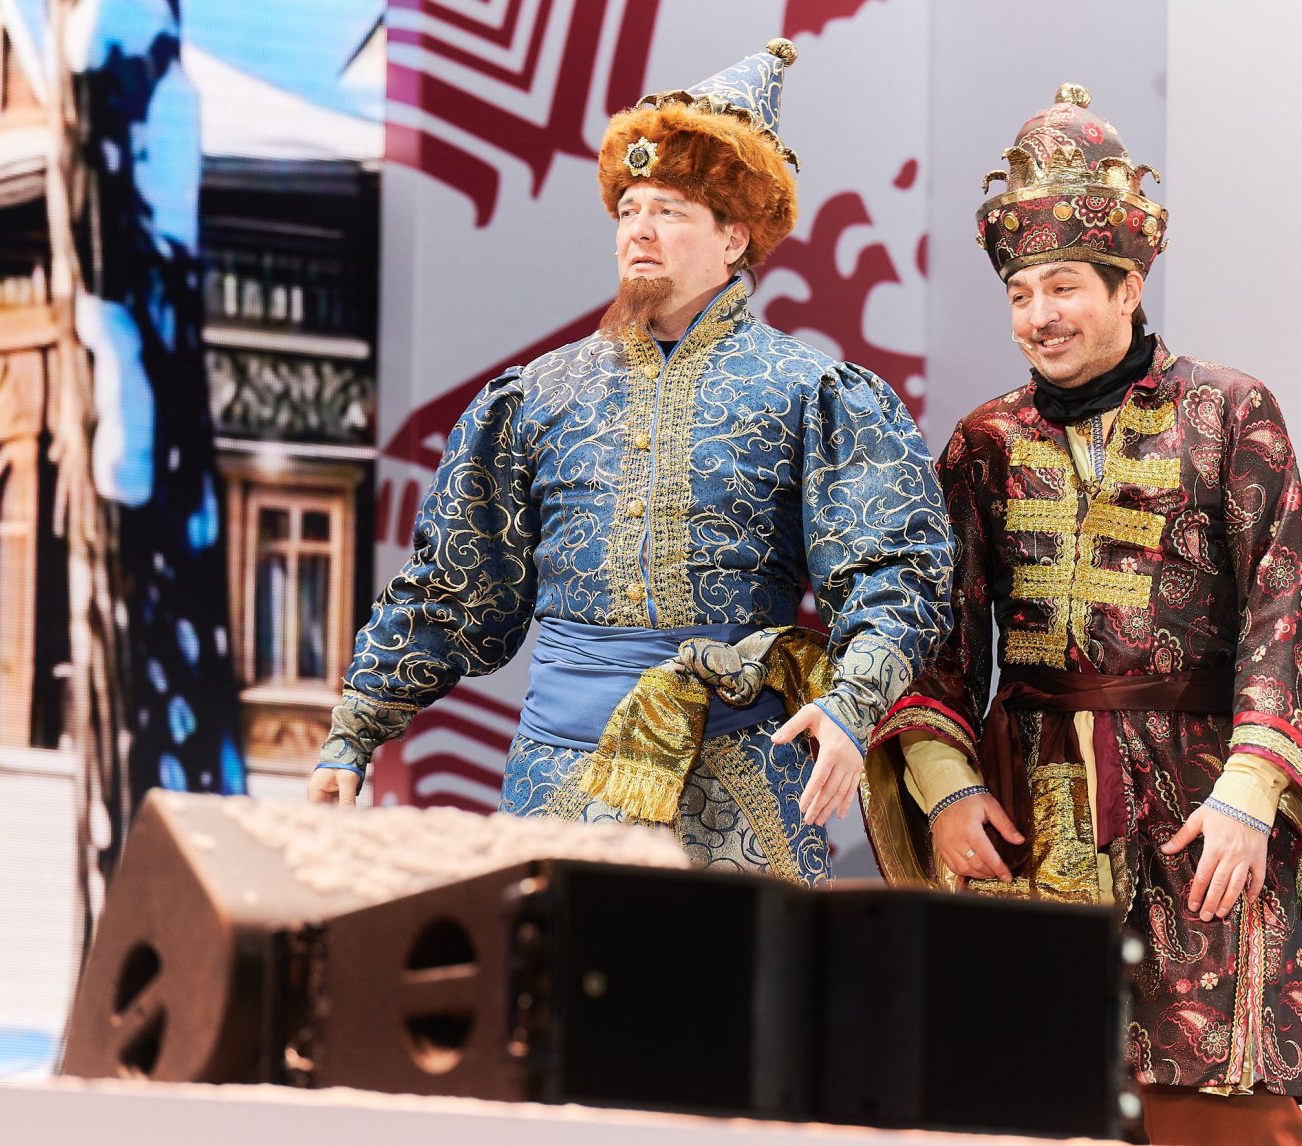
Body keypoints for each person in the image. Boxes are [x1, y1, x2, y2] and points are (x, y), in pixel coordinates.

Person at [310, 41, 952, 887]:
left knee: (740, 976)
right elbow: (457, 588)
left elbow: (896, 569)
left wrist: (851, 702)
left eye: (670, 211)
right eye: (628, 210)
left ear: (734, 238)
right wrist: (354, 730)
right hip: (559, 776)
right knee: (551, 970)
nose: (639, 231)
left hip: (738, 774)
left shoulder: (810, 392)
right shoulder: (540, 395)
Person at [863, 85, 1302, 1144]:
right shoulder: (983, 442)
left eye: (1064, 287)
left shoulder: (1228, 412)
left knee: (1216, 1102)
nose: (1037, 316)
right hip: (1029, 803)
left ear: (1128, 285)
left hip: (1196, 799)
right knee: (1027, 1092)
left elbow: (1288, 605)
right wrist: (946, 789)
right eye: (1020, 293)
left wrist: (1250, 792)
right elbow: (938, 634)